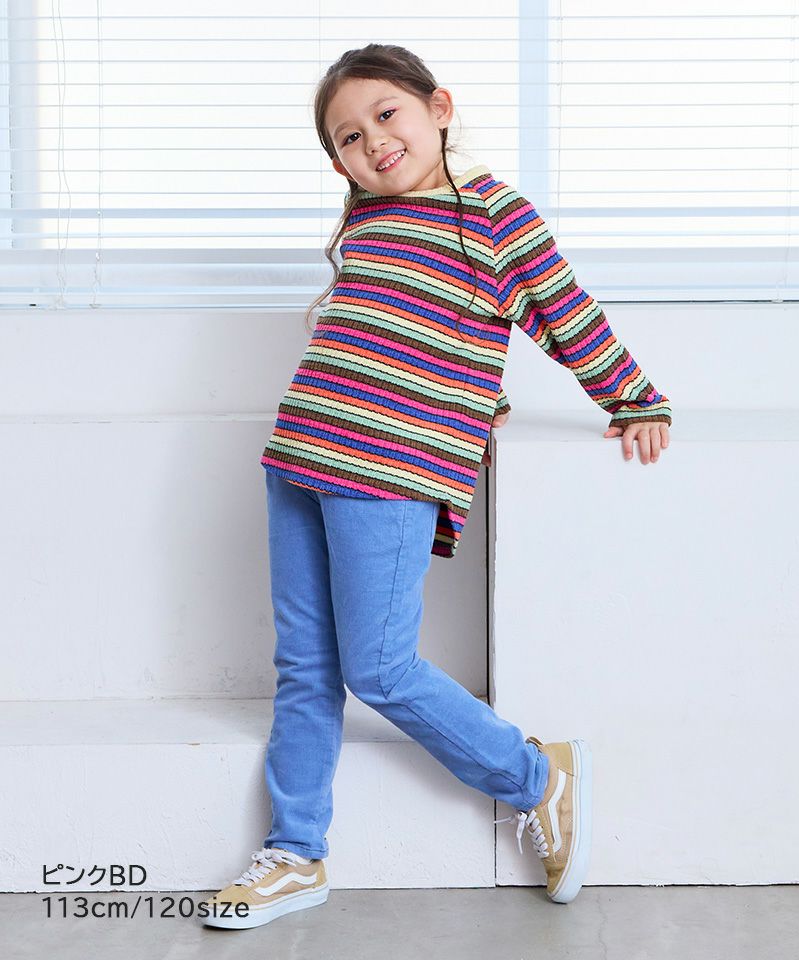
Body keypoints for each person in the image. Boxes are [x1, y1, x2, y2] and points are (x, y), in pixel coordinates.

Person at [202, 43, 671, 930]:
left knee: (380, 668)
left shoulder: (492, 213)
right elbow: (410, 331)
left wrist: (635, 398)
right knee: (305, 668)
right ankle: (294, 853)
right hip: (299, 455)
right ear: (337, 163)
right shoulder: (368, 221)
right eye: (348, 137)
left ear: (438, 108)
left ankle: (536, 776)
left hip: (389, 472)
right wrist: (476, 390)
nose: (373, 141)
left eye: (386, 115)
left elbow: (565, 314)